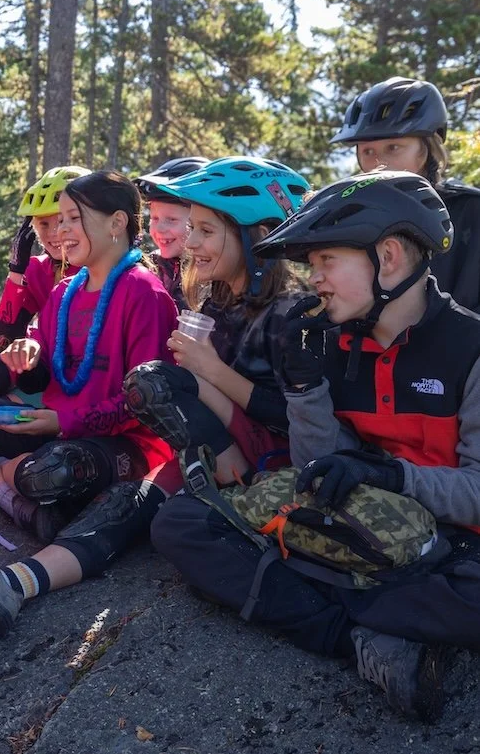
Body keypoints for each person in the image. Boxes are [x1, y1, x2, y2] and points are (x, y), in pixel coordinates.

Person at [151, 171, 476, 722]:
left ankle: (342, 616)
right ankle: (358, 639)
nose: (315, 280)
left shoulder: (470, 348)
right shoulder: (333, 341)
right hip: (355, 533)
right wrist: (305, 388)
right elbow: (313, 468)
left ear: (389, 257)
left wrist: (393, 475)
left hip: (450, 550)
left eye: (326, 261)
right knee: (180, 526)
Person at [0, 172, 179, 637]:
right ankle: (14, 499)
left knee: (50, 471)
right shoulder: (64, 292)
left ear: (116, 223)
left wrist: (63, 420)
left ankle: (17, 480)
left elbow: (146, 399)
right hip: (56, 426)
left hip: (117, 441)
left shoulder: (145, 292)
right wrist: (29, 354)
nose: (59, 231)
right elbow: (42, 350)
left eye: (73, 218)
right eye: (57, 220)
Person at [124, 156, 310, 486]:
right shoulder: (219, 299)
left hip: (275, 457)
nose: (191, 242)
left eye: (206, 231)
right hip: (221, 436)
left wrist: (210, 370)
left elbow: (296, 419)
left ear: (260, 238)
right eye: (192, 227)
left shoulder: (291, 310)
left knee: (157, 381)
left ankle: (239, 484)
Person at [331, 76, 480, 312]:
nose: (379, 162)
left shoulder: (470, 211)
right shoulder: (351, 221)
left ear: (427, 150)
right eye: (368, 151)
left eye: (393, 147)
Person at [0, 166, 89, 350]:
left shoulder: (103, 267)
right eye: (44, 224)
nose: (54, 233)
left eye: (62, 221)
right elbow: (3, 340)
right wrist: (16, 270)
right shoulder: (37, 269)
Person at [133, 156, 209, 310]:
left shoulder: (210, 274)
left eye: (172, 219)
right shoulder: (150, 267)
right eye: (154, 218)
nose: (159, 229)